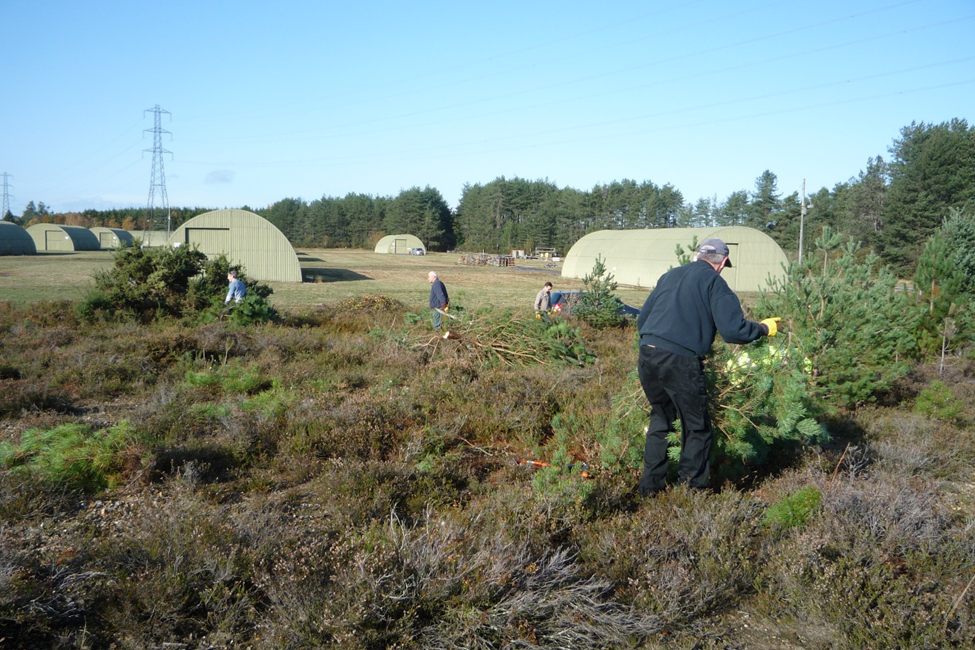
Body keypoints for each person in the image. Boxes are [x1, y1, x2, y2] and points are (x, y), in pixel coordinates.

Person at [635, 238, 781, 496]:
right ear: (722, 262)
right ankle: (690, 494)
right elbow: (733, 331)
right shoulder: (715, 282)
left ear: (698, 256)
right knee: (697, 427)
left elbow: (643, 319)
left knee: (661, 419)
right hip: (679, 360)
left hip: (647, 353)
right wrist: (763, 328)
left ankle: (650, 490)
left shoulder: (669, 276)